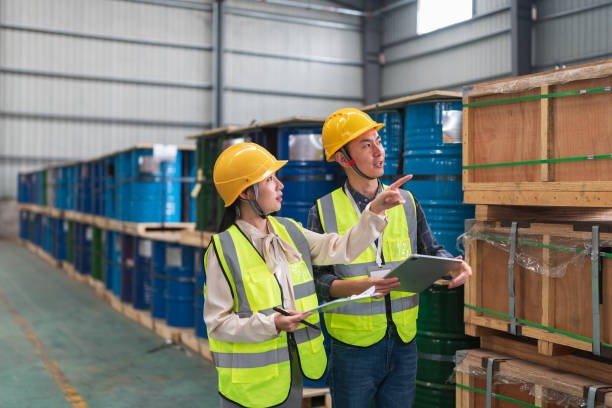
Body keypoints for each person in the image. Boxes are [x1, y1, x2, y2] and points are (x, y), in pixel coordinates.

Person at [203, 141, 411, 408]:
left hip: (290, 373)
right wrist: (272, 324)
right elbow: (218, 325)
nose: (280, 185)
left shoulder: (289, 231)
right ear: (245, 192)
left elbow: (342, 247)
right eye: (270, 179)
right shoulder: (223, 249)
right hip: (249, 387)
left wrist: (375, 211)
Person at [307, 107, 473, 408]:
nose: (379, 151)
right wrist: (360, 287)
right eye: (366, 145)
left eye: (379, 141)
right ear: (343, 159)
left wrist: (453, 265)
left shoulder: (407, 201)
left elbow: (430, 249)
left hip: (403, 341)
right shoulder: (323, 210)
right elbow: (317, 281)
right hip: (353, 346)